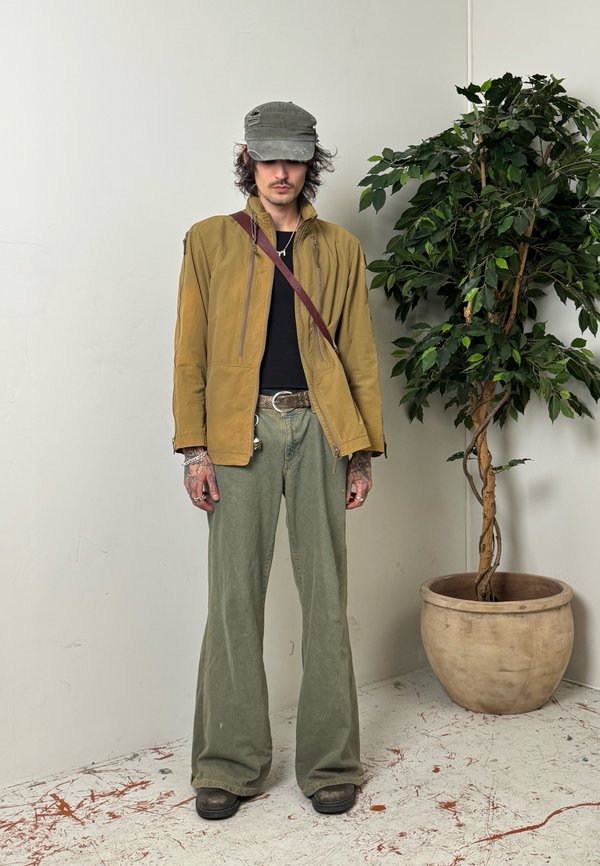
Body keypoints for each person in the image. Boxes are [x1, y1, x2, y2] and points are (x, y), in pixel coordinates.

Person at [172, 101, 385, 820]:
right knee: (233, 602)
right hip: (240, 436)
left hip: (322, 431)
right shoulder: (208, 242)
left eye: (293, 158)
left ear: (310, 162)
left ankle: (331, 762)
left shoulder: (342, 249)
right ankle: (229, 763)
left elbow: (357, 353)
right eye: (268, 158)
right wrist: (195, 447)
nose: (281, 172)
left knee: (327, 601)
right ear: (247, 160)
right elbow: (190, 354)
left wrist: (360, 453)